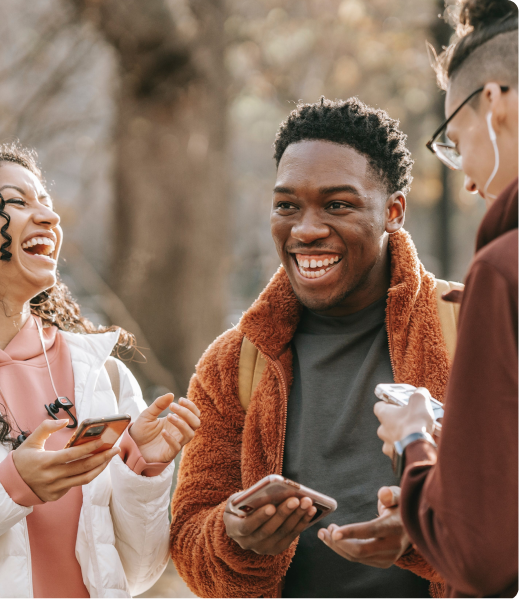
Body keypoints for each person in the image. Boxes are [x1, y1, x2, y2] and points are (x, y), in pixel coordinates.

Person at [170, 97, 459, 599]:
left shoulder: (471, 326)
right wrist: (236, 537)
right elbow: (190, 543)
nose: (305, 229)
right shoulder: (232, 363)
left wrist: (422, 531)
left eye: (337, 205)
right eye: (287, 205)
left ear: (393, 212)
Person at [0, 138, 200, 599]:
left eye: (46, 204)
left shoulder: (102, 374)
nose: (49, 217)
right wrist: (9, 487)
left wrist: (143, 470)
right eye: (16, 203)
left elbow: (139, 571)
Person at [374, 0, 519, 598]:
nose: (465, 179)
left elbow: (479, 553)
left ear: (494, 103)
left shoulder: (503, 271)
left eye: (455, 142)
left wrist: (415, 441)